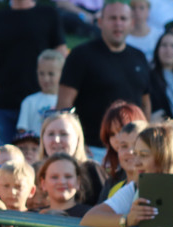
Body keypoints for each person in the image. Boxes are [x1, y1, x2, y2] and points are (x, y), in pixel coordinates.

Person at [56, 0, 151, 157]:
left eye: (123, 18)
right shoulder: (80, 55)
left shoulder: (139, 57)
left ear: (131, 23)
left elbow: (146, 104)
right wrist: (78, 144)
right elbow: (63, 106)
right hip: (92, 150)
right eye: (112, 18)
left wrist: (145, 140)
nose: (118, 24)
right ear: (100, 22)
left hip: (133, 150)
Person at [0, 0, 65, 145]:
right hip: (4, 105)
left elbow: (61, 61)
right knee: (1, 160)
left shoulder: (49, 14)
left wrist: (63, 101)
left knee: (39, 160)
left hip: (41, 107)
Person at [39, 111, 105, 205]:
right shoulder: (34, 171)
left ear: (77, 138)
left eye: (63, 134)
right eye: (51, 134)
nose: (56, 140)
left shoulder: (92, 171)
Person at [16, 49, 63, 136]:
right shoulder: (29, 101)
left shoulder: (65, 102)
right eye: (41, 73)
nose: (45, 79)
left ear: (62, 73)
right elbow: (22, 132)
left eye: (51, 74)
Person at [38, 152, 89, 217]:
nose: (61, 182)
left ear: (78, 182)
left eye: (68, 176)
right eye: (54, 177)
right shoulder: (31, 216)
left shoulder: (90, 216)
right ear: (43, 183)